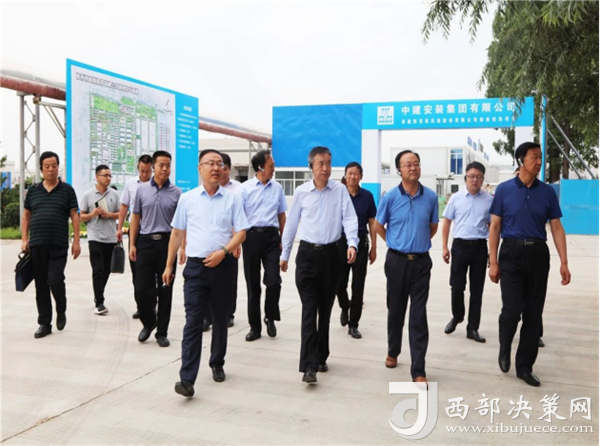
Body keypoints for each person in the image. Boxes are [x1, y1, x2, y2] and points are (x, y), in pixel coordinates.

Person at [165, 149, 249, 398]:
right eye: (210, 163)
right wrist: (169, 265)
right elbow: (177, 233)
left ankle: (217, 362)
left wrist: (224, 252)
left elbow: (241, 232)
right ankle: (186, 378)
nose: (216, 168)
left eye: (219, 164)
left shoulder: (232, 199)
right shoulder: (188, 199)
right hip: (196, 268)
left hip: (223, 265)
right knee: (193, 321)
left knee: (221, 318)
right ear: (199, 168)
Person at [489, 142, 571, 387]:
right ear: (520, 160)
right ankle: (505, 346)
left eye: (540, 157)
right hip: (511, 252)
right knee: (512, 311)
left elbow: (556, 227)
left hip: (538, 254)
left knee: (533, 314)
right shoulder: (504, 190)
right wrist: (493, 262)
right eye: (534, 157)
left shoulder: (547, 192)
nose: (539, 162)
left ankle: (524, 366)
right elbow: (495, 227)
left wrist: (564, 262)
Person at [280, 146, 358, 384]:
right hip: (307, 256)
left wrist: (352, 243)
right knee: (309, 309)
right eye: (320, 163)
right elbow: (291, 223)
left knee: (325, 309)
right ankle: (308, 365)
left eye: (328, 163)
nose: (325, 168)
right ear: (311, 166)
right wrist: (285, 253)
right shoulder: (302, 192)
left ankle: (321, 356)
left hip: (332, 256)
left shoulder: (340, 191)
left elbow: (349, 218)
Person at [374, 150, 438, 385]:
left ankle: (418, 369)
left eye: (416, 163)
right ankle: (393, 350)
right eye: (407, 164)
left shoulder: (430, 197)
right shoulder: (390, 197)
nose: (413, 168)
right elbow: (378, 226)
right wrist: (394, 243)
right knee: (396, 310)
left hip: (421, 263)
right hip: (396, 262)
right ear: (399, 170)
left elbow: (433, 227)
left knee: (418, 316)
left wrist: (417, 242)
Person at [21, 151, 81, 338]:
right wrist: (24, 239)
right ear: (41, 169)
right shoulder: (33, 191)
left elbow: (74, 215)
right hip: (37, 244)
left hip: (59, 243)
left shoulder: (67, 190)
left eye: (54, 166)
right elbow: (26, 215)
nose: (51, 169)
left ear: (58, 167)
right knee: (40, 283)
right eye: (47, 166)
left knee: (55, 279)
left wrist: (77, 241)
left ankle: (61, 309)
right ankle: (44, 323)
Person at [129, 150, 181, 348]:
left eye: (168, 165)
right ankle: (149, 321)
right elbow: (135, 217)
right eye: (161, 165)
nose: (165, 169)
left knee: (165, 289)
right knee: (142, 289)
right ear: (153, 166)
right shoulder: (142, 190)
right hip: (145, 243)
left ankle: (162, 332)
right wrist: (132, 244)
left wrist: (182, 247)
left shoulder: (176, 193)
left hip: (167, 244)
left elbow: (180, 225)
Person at [441, 161, 493, 343]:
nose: (475, 180)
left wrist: (493, 253)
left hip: (479, 248)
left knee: (477, 290)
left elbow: (492, 226)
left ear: (483, 179)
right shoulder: (456, 198)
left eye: (478, 177)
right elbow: (447, 222)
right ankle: (457, 315)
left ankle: (473, 328)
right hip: (460, 247)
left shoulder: (489, 200)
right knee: (456, 286)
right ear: (465, 178)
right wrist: (444, 246)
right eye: (471, 176)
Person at [241, 150, 287, 342]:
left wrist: (284, 239)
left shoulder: (277, 188)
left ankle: (270, 316)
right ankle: (255, 327)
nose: (273, 169)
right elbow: (238, 216)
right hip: (250, 238)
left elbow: (281, 215)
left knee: (274, 281)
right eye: (271, 166)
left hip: (271, 239)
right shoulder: (245, 189)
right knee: (253, 286)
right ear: (260, 167)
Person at [201, 153, 243, 332]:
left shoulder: (238, 190)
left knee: (229, 282)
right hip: (209, 244)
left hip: (230, 243)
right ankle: (207, 316)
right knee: (206, 283)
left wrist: (236, 243)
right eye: (215, 165)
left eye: (223, 167)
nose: (220, 170)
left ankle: (228, 314)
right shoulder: (201, 192)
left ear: (229, 169)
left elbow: (239, 220)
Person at [336, 162, 377, 339]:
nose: (352, 177)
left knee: (358, 285)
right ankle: (345, 306)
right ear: (345, 175)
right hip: (340, 243)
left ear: (361, 176)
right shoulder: (338, 194)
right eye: (349, 173)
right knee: (339, 283)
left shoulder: (367, 196)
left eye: (355, 174)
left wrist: (374, 247)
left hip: (361, 243)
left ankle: (353, 324)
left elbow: (372, 222)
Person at [80, 164, 120, 315]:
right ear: (97, 177)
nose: (108, 178)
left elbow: (121, 214)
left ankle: (98, 295)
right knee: (97, 270)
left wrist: (109, 215)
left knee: (106, 270)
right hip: (95, 238)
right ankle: (100, 303)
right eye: (105, 175)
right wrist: (93, 214)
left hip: (110, 238)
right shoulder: (88, 195)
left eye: (110, 175)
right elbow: (81, 216)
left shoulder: (114, 194)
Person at [117, 154, 153, 319]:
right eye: (142, 171)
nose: (145, 175)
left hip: (152, 231)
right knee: (137, 272)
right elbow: (124, 206)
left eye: (148, 171)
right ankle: (141, 305)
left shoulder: (157, 185)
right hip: (135, 232)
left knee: (152, 273)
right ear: (138, 168)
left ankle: (152, 305)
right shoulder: (131, 184)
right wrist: (119, 228)